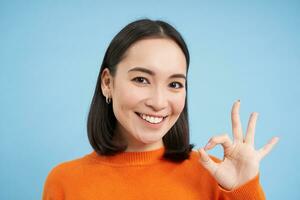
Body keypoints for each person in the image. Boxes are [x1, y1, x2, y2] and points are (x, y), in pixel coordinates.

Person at [42, 18, 279, 200]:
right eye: (141, 80)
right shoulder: (64, 182)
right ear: (107, 83)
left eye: (174, 84)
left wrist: (244, 189)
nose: (158, 102)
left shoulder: (217, 177)